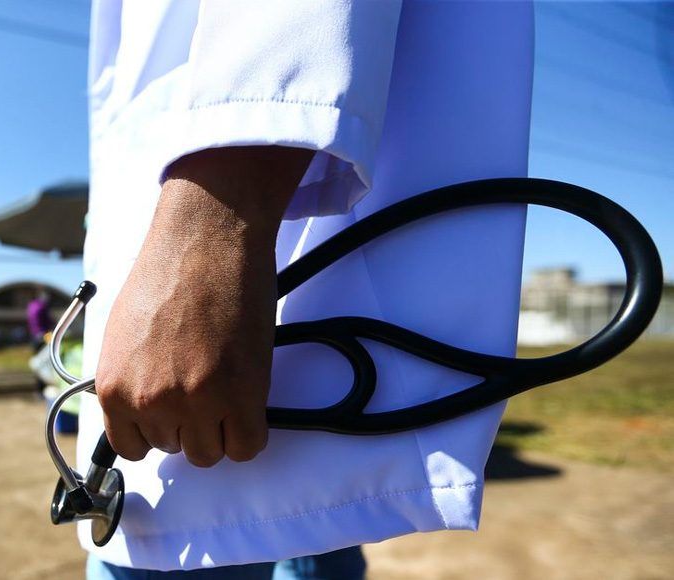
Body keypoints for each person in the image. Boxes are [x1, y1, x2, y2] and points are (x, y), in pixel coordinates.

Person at [79, 1, 534, 578]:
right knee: (304, 520)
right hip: (247, 370)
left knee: (252, 522)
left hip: (219, 251)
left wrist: (210, 225)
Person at [27, 289, 53, 395]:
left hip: (34, 337)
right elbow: (48, 321)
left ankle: (38, 389)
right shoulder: (42, 307)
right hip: (44, 337)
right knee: (44, 363)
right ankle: (42, 387)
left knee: (38, 363)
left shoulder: (31, 306)